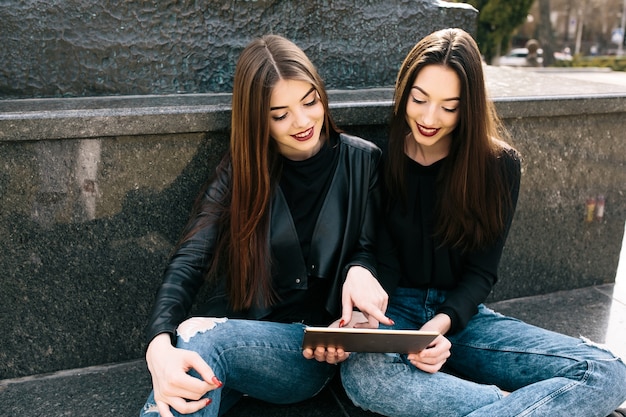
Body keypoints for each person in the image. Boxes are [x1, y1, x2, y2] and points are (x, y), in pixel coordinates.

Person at [340, 28, 626, 417]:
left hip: (463, 316)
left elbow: (481, 273)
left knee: (608, 372)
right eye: (419, 99)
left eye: (449, 106)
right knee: (364, 379)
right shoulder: (379, 157)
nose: (428, 117)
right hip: (394, 310)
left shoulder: (498, 166)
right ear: (405, 92)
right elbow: (376, 255)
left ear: (469, 107)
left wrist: (439, 326)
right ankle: (518, 408)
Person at [139, 34, 391, 417]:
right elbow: (191, 258)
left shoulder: (363, 162)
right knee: (186, 364)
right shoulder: (240, 171)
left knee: (199, 340)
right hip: (233, 334)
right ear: (259, 119)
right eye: (281, 114)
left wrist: (359, 274)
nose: (303, 121)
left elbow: (369, 248)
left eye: (310, 102)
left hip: (304, 353)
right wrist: (158, 344)